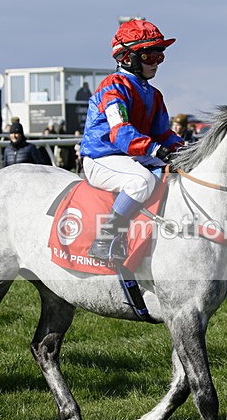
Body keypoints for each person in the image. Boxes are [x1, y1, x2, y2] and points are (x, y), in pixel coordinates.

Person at [79, 19, 185, 261]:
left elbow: (163, 133)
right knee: (141, 181)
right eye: (150, 57)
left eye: (160, 57)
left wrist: (185, 150)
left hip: (132, 155)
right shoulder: (113, 87)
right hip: (102, 157)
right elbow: (120, 132)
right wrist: (156, 150)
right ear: (127, 58)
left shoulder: (154, 94)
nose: (156, 63)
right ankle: (105, 238)